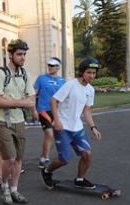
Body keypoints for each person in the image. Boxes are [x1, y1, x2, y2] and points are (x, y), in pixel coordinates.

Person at [41, 58, 102, 190]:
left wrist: (93, 127)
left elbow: (87, 110)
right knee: (65, 159)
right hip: (62, 127)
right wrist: (56, 120)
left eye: (94, 73)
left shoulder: (90, 90)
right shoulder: (71, 85)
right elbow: (53, 100)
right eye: (89, 72)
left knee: (87, 154)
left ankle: (79, 179)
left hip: (77, 128)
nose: (91, 75)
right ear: (82, 72)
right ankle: (47, 171)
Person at [0, 39, 36, 205]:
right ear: (10, 55)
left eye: (24, 54)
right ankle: (4, 186)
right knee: (9, 158)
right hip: (2, 120)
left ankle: (15, 190)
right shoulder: (1, 74)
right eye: (19, 54)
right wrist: (20, 102)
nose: (23, 57)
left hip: (19, 120)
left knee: (18, 159)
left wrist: (11, 100)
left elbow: (32, 100)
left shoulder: (25, 74)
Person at [33, 57, 66, 169]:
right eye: (49, 65)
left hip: (57, 111)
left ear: (58, 67)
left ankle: (43, 157)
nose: (50, 67)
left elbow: (65, 97)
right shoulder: (41, 78)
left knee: (56, 135)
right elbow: (34, 94)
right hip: (43, 109)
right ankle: (46, 159)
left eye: (53, 66)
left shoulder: (62, 81)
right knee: (49, 134)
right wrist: (33, 109)